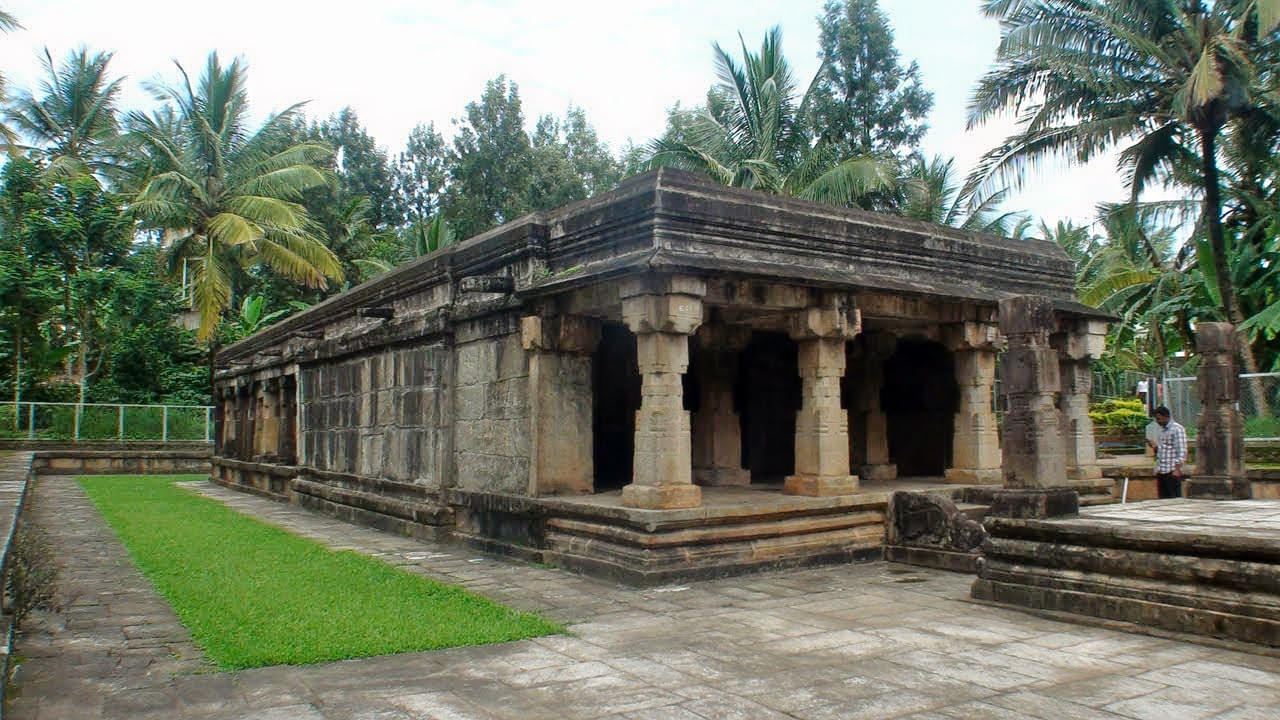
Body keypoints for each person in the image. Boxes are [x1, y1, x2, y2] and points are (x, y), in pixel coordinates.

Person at [1146, 406, 1187, 499]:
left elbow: (1181, 450)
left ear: (1166, 416)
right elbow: (1165, 449)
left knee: (1174, 498)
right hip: (1161, 470)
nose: (1158, 422)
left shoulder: (1177, 429)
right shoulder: (1163, 430)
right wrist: (1155, 447)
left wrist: (1177, 469)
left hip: (1171, 470)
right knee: (1163, 498)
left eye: (1159, 419)